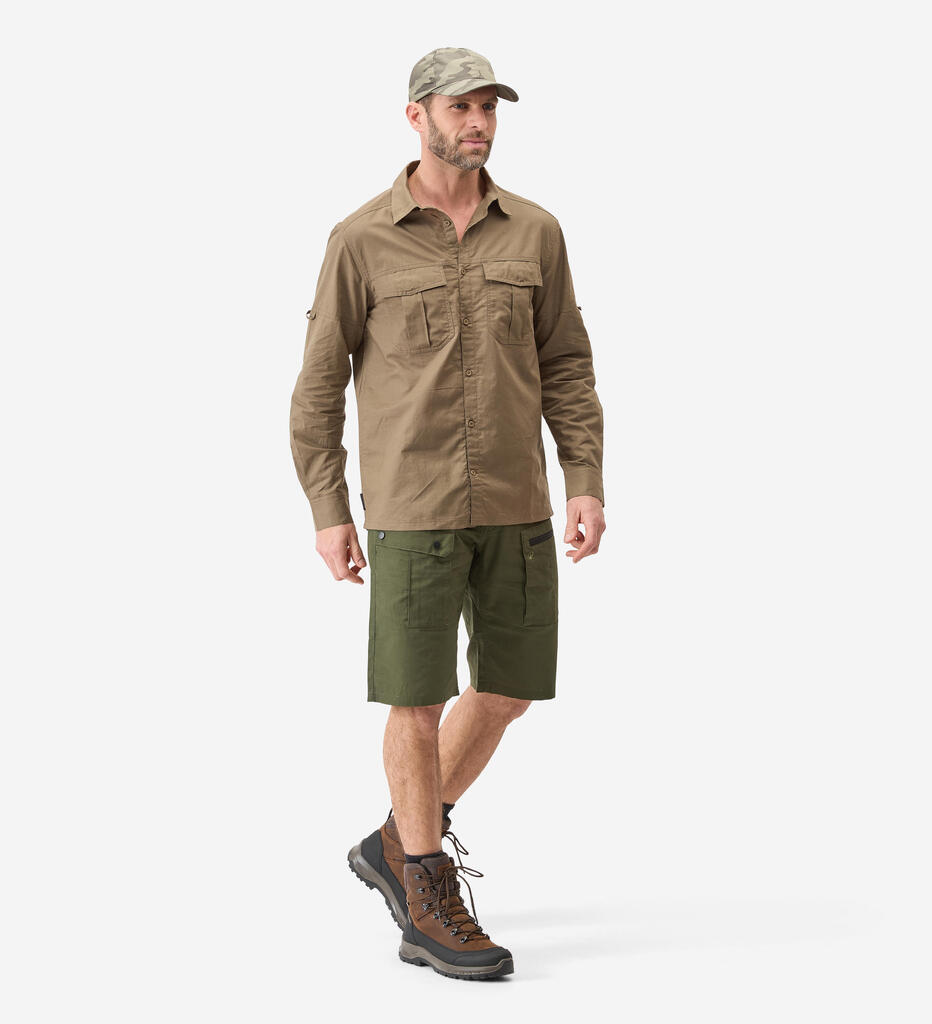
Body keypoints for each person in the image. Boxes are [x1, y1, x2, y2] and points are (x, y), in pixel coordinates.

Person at [289, 46, 606, 981]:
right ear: (416, 116)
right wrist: (328, 507)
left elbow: (567, 364)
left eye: (489, 108)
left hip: (516, 500)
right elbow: (317, 387)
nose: (477, 122)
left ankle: (396, 843)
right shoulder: (361, 239)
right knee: (416, 701)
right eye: (460, 106)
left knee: (508, 692)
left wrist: (583, 477)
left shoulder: (536, 231)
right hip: (412, 505)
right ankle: (427, 896)